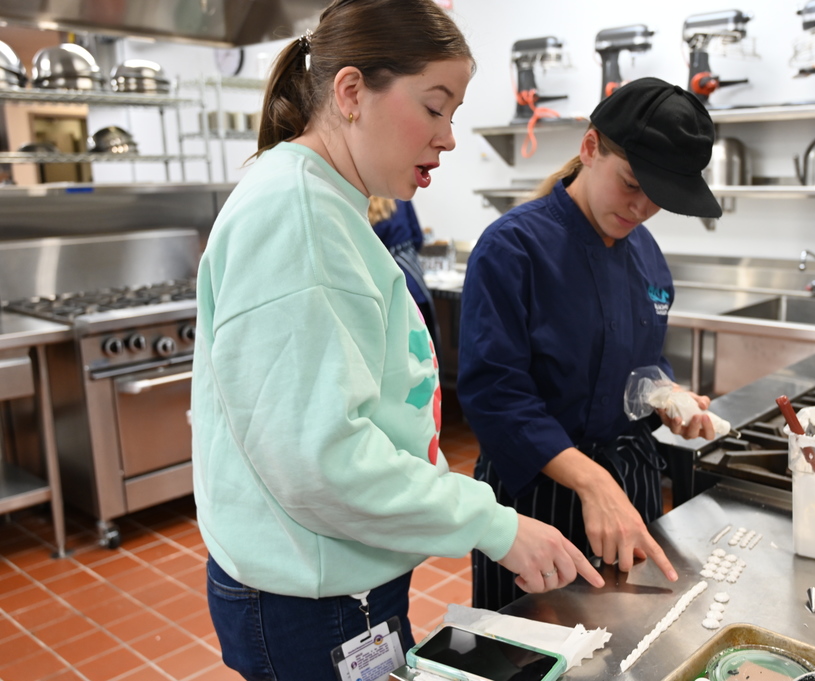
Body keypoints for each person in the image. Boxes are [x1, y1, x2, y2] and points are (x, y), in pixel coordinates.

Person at [190, 2, 602, 680]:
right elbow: (321, 460)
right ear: (351, 92)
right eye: (435, 107)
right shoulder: (297, 216)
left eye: (454, 113)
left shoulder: (327, 204)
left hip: (337, 573)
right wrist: (493, 524)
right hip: (313, 597)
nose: (447, 138)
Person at [457, 77, 723, 611]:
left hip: (628, 487)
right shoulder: (513, 248)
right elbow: (495, 394)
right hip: (537, 496)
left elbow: (641, 364)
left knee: (628, 646)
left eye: (659, 199)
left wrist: (668, 397)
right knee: (533, 653)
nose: (642, 209)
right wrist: (591, 481)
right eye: (631, 184)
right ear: (589, 147)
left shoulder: (646, 256)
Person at [368, 196, 442, 355]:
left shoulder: (360, 204)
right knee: (425, 348)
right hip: (412, 282)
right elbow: (418, 238)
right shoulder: (399, 197)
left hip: (382, 286)